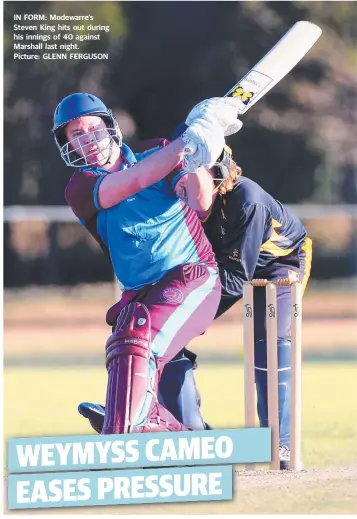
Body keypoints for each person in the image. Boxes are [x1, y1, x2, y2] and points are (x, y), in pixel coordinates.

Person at [80, 122, 312, 469]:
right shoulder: (183, 196)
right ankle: (184, 431)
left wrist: (180, 316)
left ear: (220, 164)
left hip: (280, 263)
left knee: (268, 345)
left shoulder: (245, 199)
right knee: (168, 341)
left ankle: (280, 445)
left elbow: (234, 279)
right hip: (222, 269)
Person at [52, 93, 242, 434]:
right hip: (142, 295)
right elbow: (134, 181)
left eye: (91, 129)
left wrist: (200, 152)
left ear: (109, 127)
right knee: (128, 342)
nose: (86, 139)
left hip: (192, 276)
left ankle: (127, 422)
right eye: (76, 134)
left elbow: (200, 201)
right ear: (69, 145)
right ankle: (162, 429)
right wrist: (187, 138)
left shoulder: (158, 149)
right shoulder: (80, 187)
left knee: (139, 339)